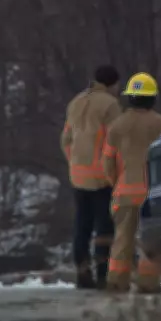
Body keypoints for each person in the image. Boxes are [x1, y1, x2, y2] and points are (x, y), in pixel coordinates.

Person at [102, 72, 161, 293]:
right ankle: (149, 283)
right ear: (152, 98)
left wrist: (116, 183)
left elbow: (108, 162)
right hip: (153, 194)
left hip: (124, 191)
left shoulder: (117, 126)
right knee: (150, 240)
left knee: (122, 239)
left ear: (130, 97)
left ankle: (116, 280)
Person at [60, 65, 123, 289]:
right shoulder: (110, 105)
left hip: (78, 174)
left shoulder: (76, 102)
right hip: (102, 175)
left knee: (82, 225)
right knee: (104, 226)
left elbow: (66, 140)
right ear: (113, 84)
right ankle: (103, 273)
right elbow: (116, 140)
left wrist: (75, 162)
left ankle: (82, 270)